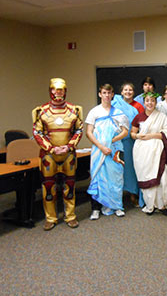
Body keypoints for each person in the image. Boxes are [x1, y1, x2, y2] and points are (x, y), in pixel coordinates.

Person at [32, 78, 83, 230]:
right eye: (55, 89)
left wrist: (69, 146)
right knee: (48, 188)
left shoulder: (75, 110)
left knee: (70, 186)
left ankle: (70, 216)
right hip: (49, 155)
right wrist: (51, 148)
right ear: (50, 90)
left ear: (66, 91)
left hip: (68, 154)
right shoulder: (41, 111)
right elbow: (37, 132)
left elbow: (79, 130)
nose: (58, 93)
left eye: (61, 90)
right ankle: (51, 218)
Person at [86, 84, 129, 220]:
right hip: (99, 151)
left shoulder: (118, 113)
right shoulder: (94, 112)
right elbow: (89, 132)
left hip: (115, 150)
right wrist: (101, 146)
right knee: (97, 177)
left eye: (109, 93)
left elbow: (125, 131)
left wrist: (111, 141)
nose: (106, 95)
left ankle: (117, 206)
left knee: (116, 177)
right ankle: (96, 209)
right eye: (104, 93)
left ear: (112, 94)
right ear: (100, 94)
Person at [131, 92, 167, 215]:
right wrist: (137, 135)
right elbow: (132, 133)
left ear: (156, 102)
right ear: (144, 102)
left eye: (152, 101)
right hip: (141, 152)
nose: (150, 103)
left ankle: (162, 205)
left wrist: (150, 136)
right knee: (146, 176)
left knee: (162, 177)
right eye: (147, 101)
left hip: (157, 151)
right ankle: (150, 205)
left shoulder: (161, 116)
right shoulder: (138, 117)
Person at [111, 82, 142, 207]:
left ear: (133, 93)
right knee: (115, 168)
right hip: (115, 142)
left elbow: (138, 125)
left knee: (130, 169)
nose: (128, 92)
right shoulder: (113, 105)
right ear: (121, 92)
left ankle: (132, 194)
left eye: (130, 90)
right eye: (125, 90)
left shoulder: (135, 109)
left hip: (130, 142)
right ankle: (115, 197)